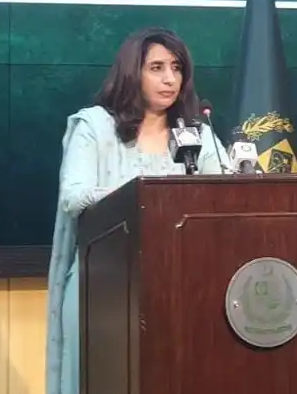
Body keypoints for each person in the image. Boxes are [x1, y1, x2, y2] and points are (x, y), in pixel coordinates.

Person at [44, 27, 231, 394]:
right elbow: (74, 196)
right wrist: (148, 197)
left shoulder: (196, 133)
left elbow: (226, 197)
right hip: (104, 286)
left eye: (177, 68)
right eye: (156, 68)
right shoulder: (95, 126)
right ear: (132, 72)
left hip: (183, 287)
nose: (169, 79)